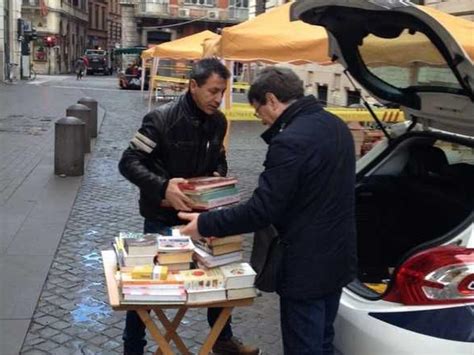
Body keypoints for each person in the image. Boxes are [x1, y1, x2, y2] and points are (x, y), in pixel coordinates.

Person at [179, 67, 357, 355]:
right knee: (324, 339)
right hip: (338, 258)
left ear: (272, 99)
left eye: (257, 109)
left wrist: (205, 223)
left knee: (306, 346)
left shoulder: (290, 141)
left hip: (305, 265)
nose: (258, 118)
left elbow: (262, 210)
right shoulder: (335, 125)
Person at [118, 58, 260, 355]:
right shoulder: (160, 119)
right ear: (193, 86)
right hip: (160, 218)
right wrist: (163, 186)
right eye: (212, 91)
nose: (218, 99)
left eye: (222, 91)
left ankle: (222, 341)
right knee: (145, 290)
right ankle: (133, 348)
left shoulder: (218, 122)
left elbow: (219, 157)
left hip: (203, 218)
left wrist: (218, 177)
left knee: (220, 273)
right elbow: (128, 162)